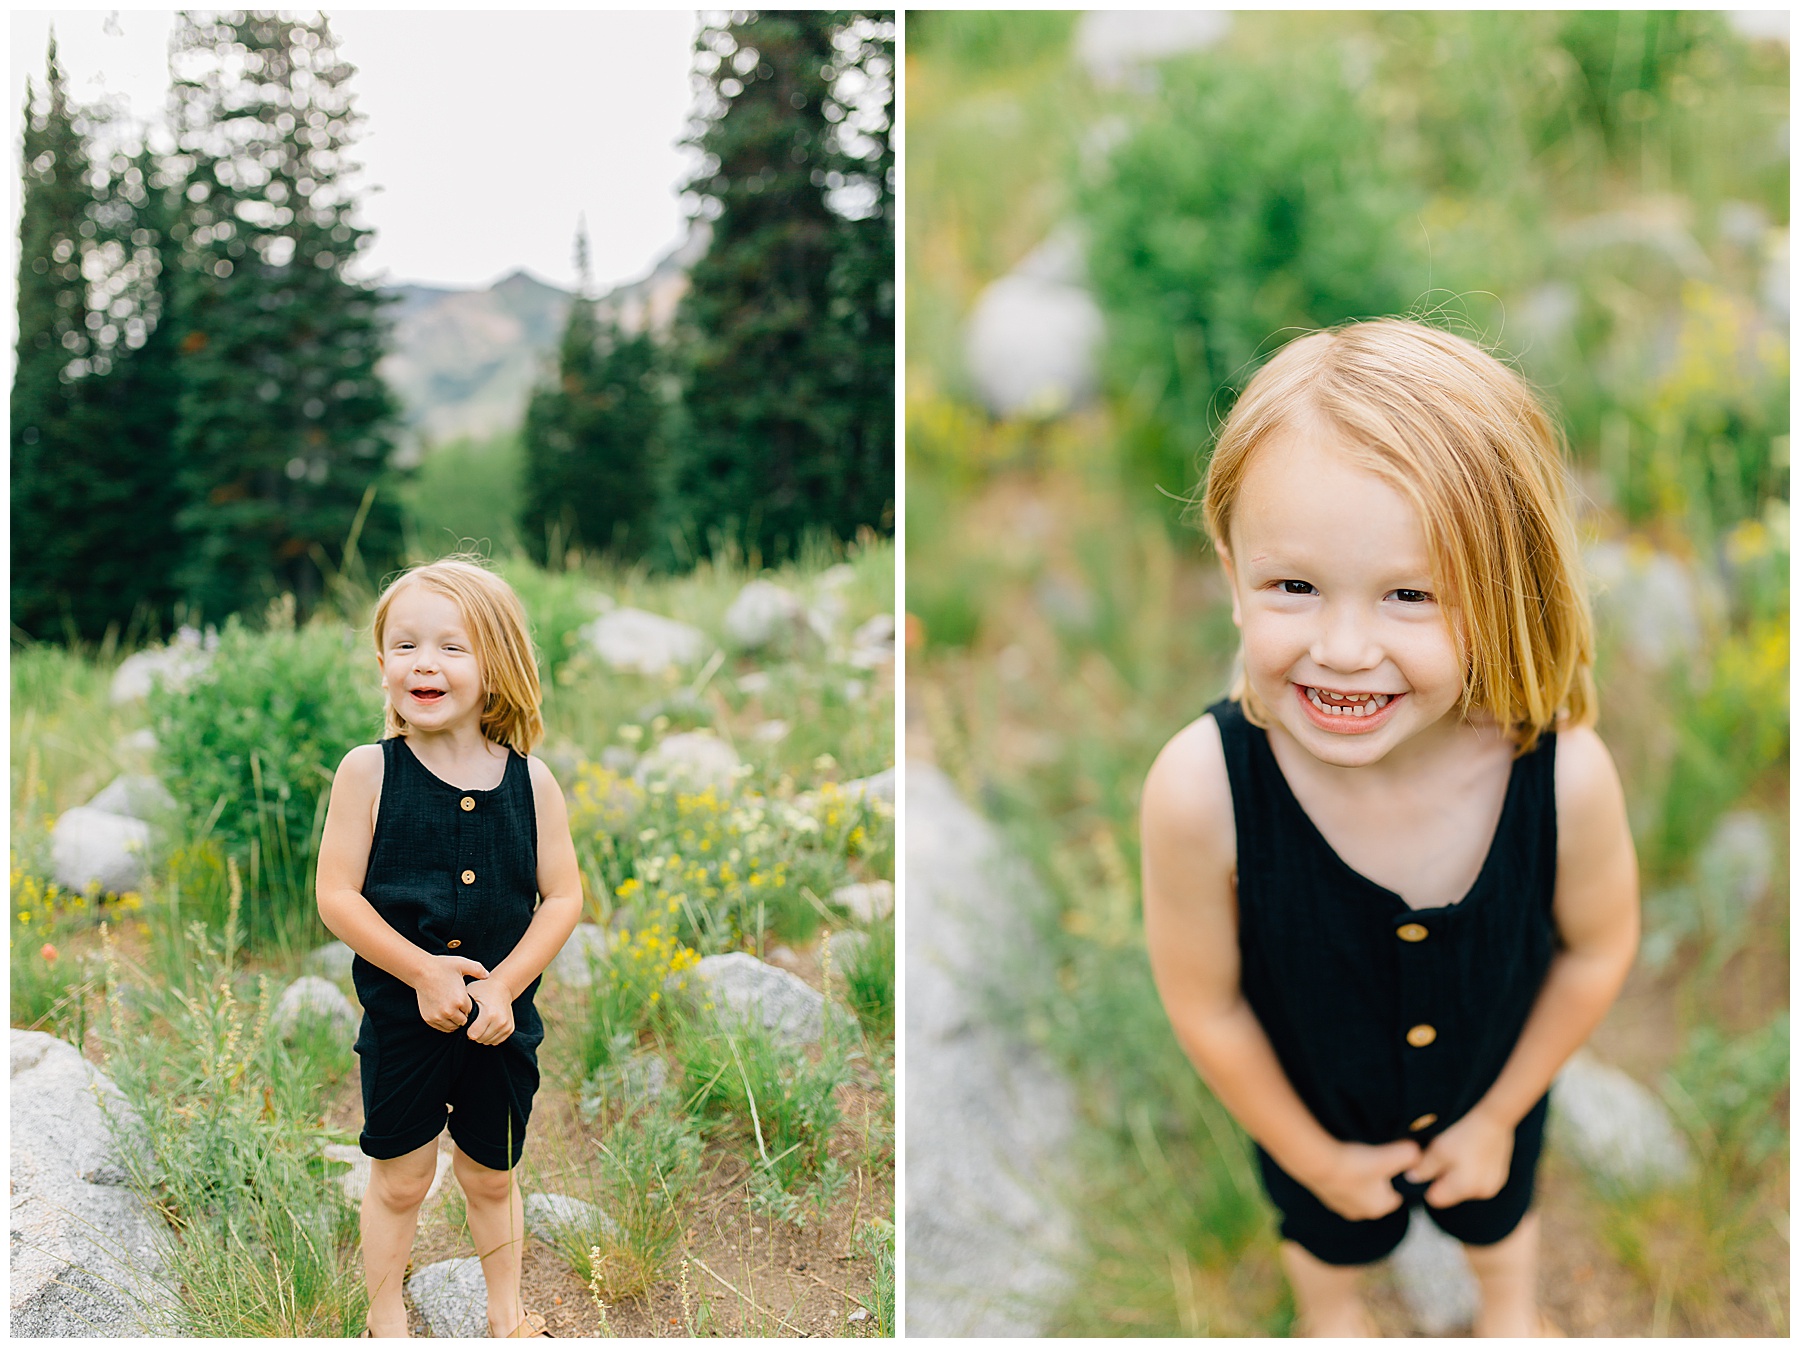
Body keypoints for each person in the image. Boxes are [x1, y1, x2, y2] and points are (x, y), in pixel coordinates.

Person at [1140, 319, 1640, 1337]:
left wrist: (1499, 1114)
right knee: (1324, 1241)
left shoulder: (1562, 776)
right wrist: (1315, 1158)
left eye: (1412, 594)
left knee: (1499, 1217)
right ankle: (1335, 1320)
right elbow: (1209, 1007)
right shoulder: (1202, 790)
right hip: (1308, 1112)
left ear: (1508, 591)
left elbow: (1598, 949)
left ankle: (1508, 1314)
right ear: (1231, 566)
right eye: (1295, 586)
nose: (1344, 647)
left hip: (1493, 1092)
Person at [317, 557, 583, 1338]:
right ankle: (384, 1310)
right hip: (405, 1021)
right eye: (404, 646)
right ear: (382, 666)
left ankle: (506, 1311)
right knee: (401, 1179)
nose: (422, 662)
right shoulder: (369, 772)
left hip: (500, 1026)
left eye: (450, 647)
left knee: (490, 1175)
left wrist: (503, 984)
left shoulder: (533, 784)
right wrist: (423, 970)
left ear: (495, 666)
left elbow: (564, 897)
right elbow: (337, 896)